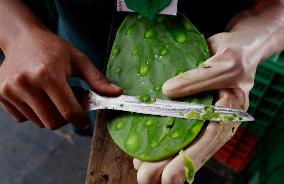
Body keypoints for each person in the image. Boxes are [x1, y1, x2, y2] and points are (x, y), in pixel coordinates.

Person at [0, 0, 283, 183]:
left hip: (211, 49)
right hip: (86, 53)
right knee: (93, 118)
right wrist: (16, 32)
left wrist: (266, 28)